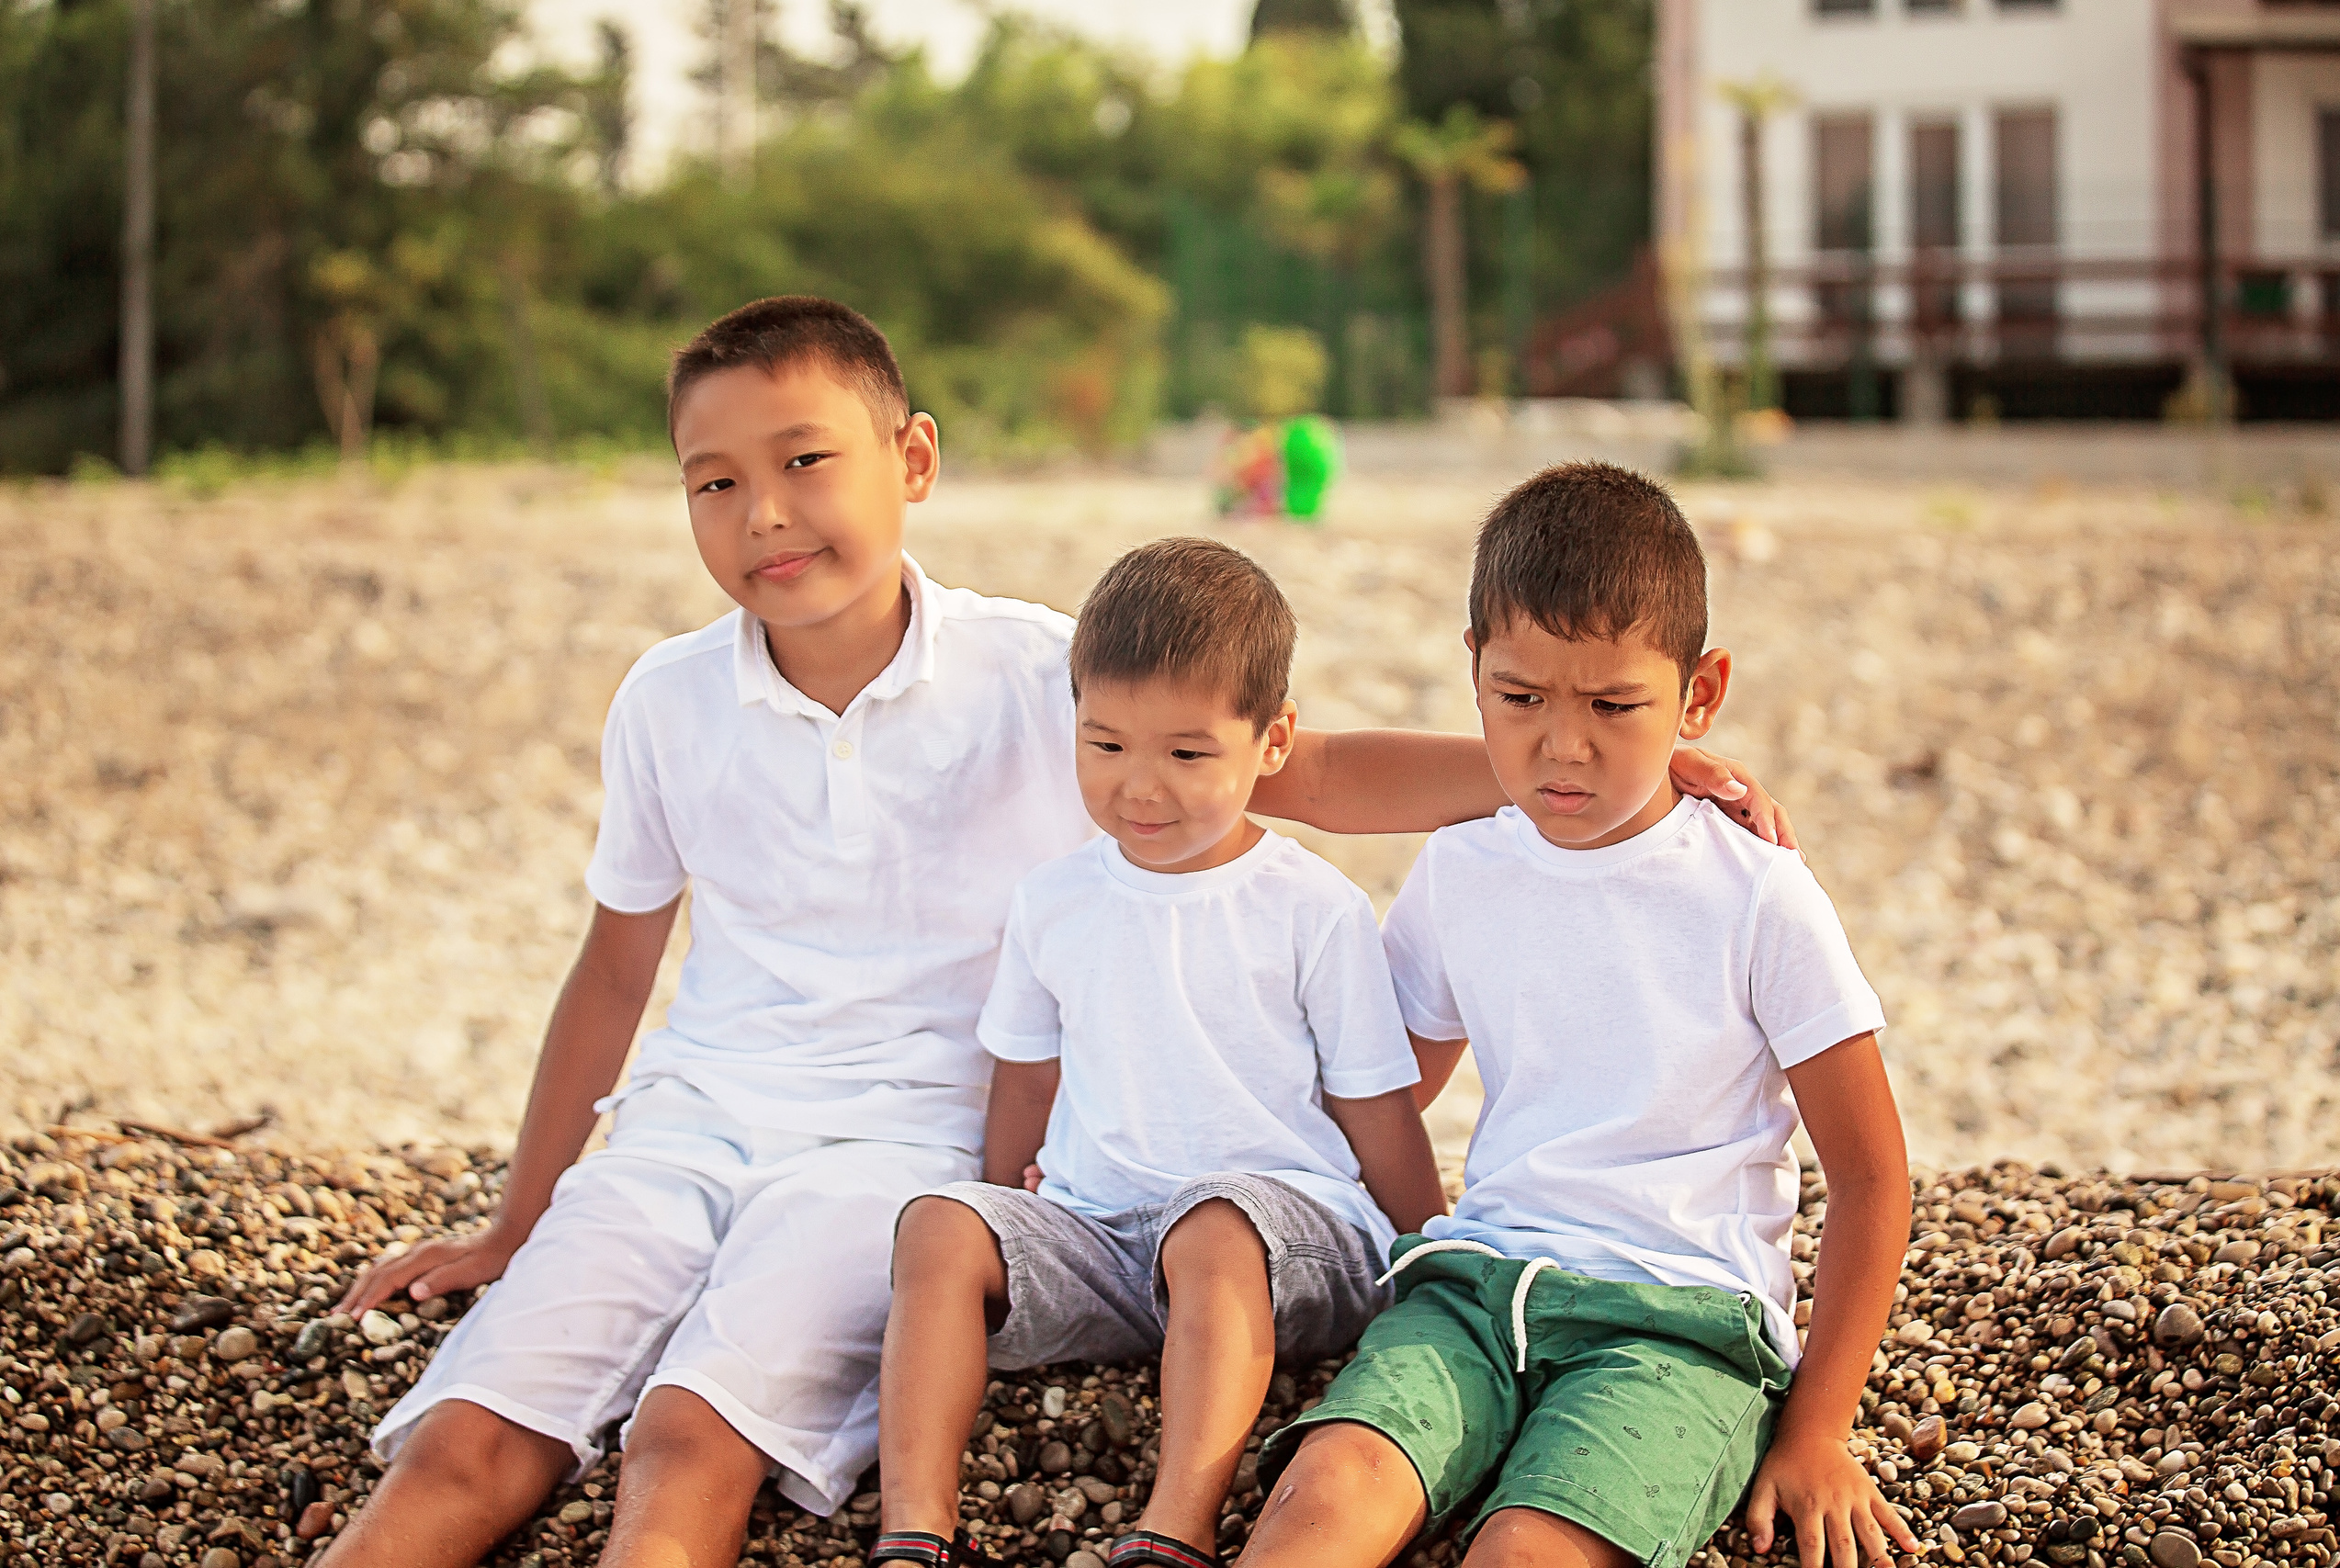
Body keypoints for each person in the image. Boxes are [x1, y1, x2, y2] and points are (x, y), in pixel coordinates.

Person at [319, 298, 1794, 1568]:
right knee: (458, 1444)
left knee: (681, 1450)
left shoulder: (1041, 670)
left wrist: (1606, 764)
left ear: (914, 460)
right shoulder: (665, 698)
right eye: (713, 481)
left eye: (804, 462)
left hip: (902, 1141)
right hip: (683, 1123)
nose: (763, 513)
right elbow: (614, 967)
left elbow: (1311, 768)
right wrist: (519, 1217)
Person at [1240, 463, 1919, 1568]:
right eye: (1522, 699)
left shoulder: (1756, 892)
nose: (1564, 746)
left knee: (1523, 1552)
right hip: (1473, 1290)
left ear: (1700, 695)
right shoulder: (1462, 866)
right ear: (1473, 670)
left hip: (1681, 1328)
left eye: (1614, 707)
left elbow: (1872, 1176)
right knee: (1323, 1499)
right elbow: (1379, 1093)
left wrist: (1817, 1431)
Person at [873, 538, 1450, 1568]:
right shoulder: (1054, 902)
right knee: (936, 1226)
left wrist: (1435, 1253)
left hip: (1280, 1238)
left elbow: (1375, 1105)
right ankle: (915, 1530)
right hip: (1102, 1235)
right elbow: (1025, 1074)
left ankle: (1171, 1533)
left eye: (1186, 755)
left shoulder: (1311, 907)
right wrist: (1005, 1204)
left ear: (1271, 742)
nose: (1139, 786)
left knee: (1215, 1226)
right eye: (1105, 746)